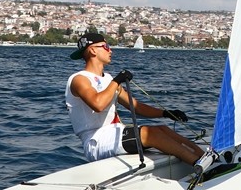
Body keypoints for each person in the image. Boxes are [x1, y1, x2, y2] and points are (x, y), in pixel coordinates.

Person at [65, 32, 204, 166]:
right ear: (93, 50)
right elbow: (98, 104)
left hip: (114, 133)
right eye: (106, 46)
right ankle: (199, 167)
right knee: (151, 134)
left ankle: (205, 158)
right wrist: (117, 81)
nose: (111, 51)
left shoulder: (107, 78)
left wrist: (166, 113)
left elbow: (136, 107)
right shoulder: (79, 79)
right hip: (96, 141)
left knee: (163, 129)